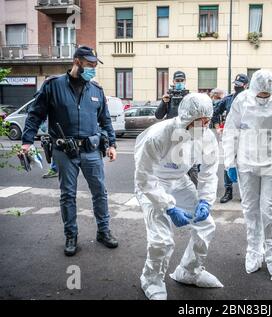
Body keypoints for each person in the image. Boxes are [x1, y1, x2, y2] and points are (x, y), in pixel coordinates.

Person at [21, 46, 118, 256]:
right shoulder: (53, 86)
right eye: (90, 64)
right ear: (77, 62)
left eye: (95, 65)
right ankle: (71, 235)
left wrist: (111, 144)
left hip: (92, 150)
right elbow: (35, 115)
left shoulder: (96, 91)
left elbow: (105, 120)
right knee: (67, 195)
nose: (93, 69)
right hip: (64, 151)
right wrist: (27, 141)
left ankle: (103, 231)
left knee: (100, 192)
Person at [134, 93, 223, 300]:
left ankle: (189, 271)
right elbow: (143, 178)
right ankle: (151, 279)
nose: (206, 124)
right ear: (188, 118)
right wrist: (169, 207)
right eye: (202, 121)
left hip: (179, 180)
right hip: (153, 183)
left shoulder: (206, 136)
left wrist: (205, 200)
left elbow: (209, 172)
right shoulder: (159, 135)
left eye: (208, 120)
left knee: (206, 224)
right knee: (161, 240)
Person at [222, 70, 272, 284]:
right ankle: (254, 251)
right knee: (250, 210)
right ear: (253, 90)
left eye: (267, 95)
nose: (263, 99)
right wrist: (229, 161)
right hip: (246, 162)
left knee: (271, 211)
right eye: (260, 95)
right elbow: (230, 130)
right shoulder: (242, 100)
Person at [155, 71, 199, 187]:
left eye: (181, 81)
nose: (179, 83)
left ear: (185, 81)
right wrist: (164, 103)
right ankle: (173, 192)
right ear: (173, 82)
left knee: (191, 166)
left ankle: (195, 192)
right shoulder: (168, 97)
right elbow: (158, 115)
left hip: (187, 136)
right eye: (177, 81)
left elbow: (197, 116)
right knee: (171, 165)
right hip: (171, 137)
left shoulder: (190, 97)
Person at [212, 74, 249, 203]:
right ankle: (228, 192)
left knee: (246, 164)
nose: (237, 87)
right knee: (228, 163)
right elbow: (214, 112)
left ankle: (245, 193)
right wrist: (218, 128)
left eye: (240, 85)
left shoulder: (251, 100)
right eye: (236, 84)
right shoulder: (228, 100)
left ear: (246, 86)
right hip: (230, 136)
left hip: (246, 137)